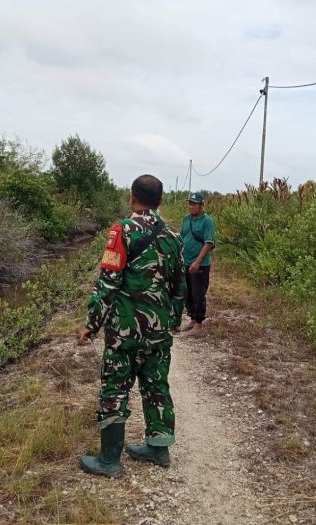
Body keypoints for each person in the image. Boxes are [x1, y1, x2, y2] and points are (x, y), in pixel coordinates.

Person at [77, 174, 186, 477]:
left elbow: (108, 283)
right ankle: (158, 448)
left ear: (132, 198)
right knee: (156, 385)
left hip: (124, 331)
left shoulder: (121, 232)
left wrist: (91, 324)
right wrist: (174, 320)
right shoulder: (174, 238)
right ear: (161, 201)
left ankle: (109, 460)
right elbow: (180, 287)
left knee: (115, 387)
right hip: (159, 331)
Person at [178, 192, 215, 336]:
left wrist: (197, 262)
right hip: (185, 262)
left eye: (194, 204)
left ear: (201, 205)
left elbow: (208, 243)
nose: (191, 206)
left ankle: (199, 324)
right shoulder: (187, 219)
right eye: (190, 203)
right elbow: (182, 237)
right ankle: (192, 319)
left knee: (199, 293)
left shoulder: (207, 221)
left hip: (200, 264)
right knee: (187, 292)